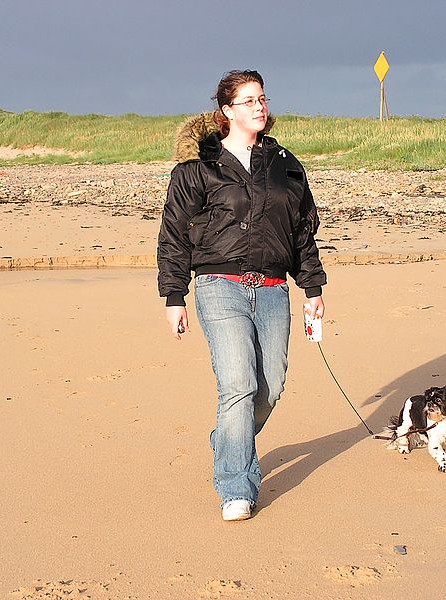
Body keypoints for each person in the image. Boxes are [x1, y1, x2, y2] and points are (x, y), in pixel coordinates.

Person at [156, 70, 327, 521]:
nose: (258, 106)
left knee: (270, 388)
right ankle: (236, 486)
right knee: (238, 386)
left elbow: (302, 232)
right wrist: (174, 296)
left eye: (262, 98)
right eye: (248, 100)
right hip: (219, 287)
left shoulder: (286, 165)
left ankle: (228, 440)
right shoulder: (197, 169)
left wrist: (312, 289)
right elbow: (174, 236)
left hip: (272, 291)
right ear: (226, 110)